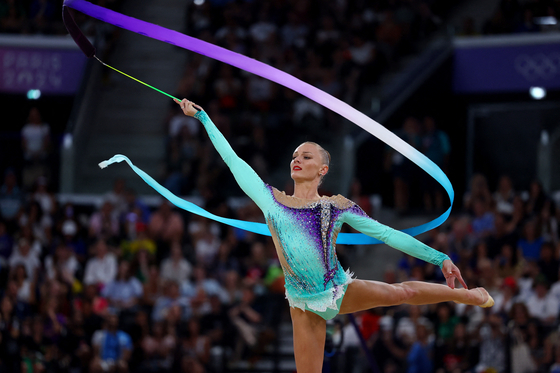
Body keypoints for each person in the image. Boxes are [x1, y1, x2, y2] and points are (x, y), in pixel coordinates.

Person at [166, 99, 495, 372]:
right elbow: (233, 161)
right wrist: (204, 118)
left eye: (306, 156)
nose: (297, 159)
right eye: (295, 155)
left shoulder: (336, 207)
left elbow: (386, 233)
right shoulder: (271, 201)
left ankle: (468, 296)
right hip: (301, 303)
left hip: (337, 289)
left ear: (322, 169)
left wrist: (440, 258)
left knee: (403, 292)